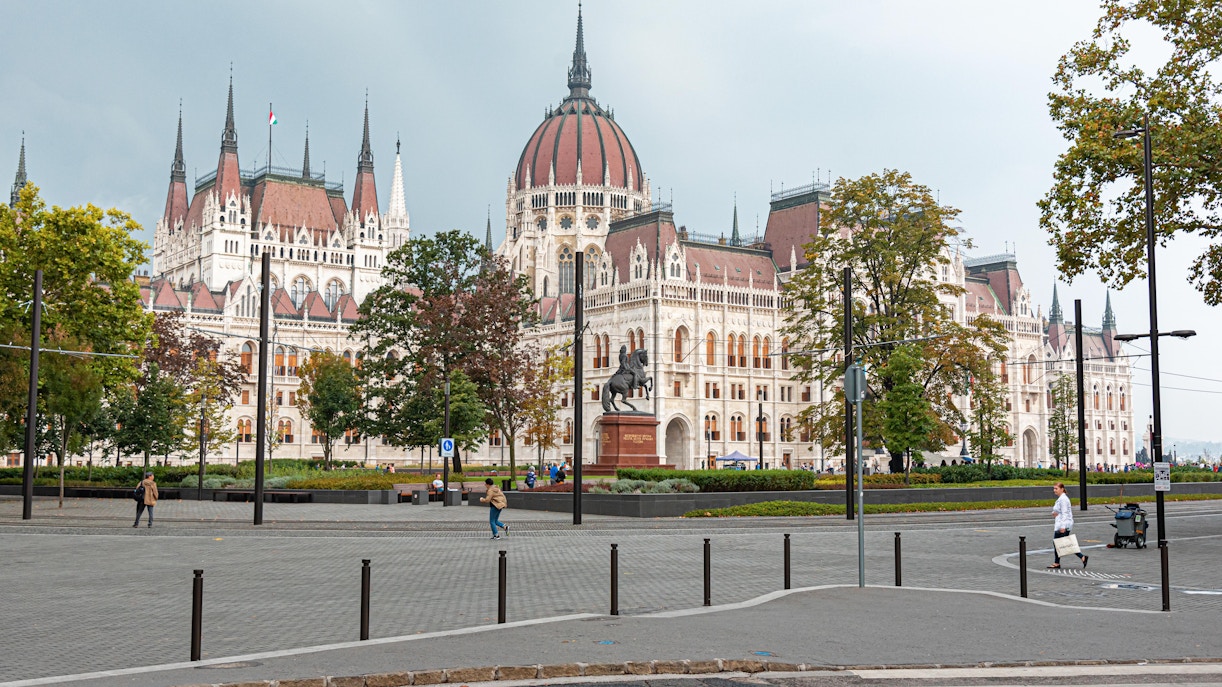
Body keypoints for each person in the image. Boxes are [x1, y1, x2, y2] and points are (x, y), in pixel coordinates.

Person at [1049, 482, 1087, 569]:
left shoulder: (1063, 499)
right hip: (1062, 523)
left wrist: (1063, 526)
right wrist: (1054, 513)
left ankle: (1058, 562)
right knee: (1061, 543)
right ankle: (1082, 557)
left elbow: (1065, 513)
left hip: (1064, 524)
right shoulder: (1061, 499)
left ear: (1062, 489)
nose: (1054, 490)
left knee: (1061, 543)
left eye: (1056, 488)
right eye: (1054, 488)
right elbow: (1058, 510)